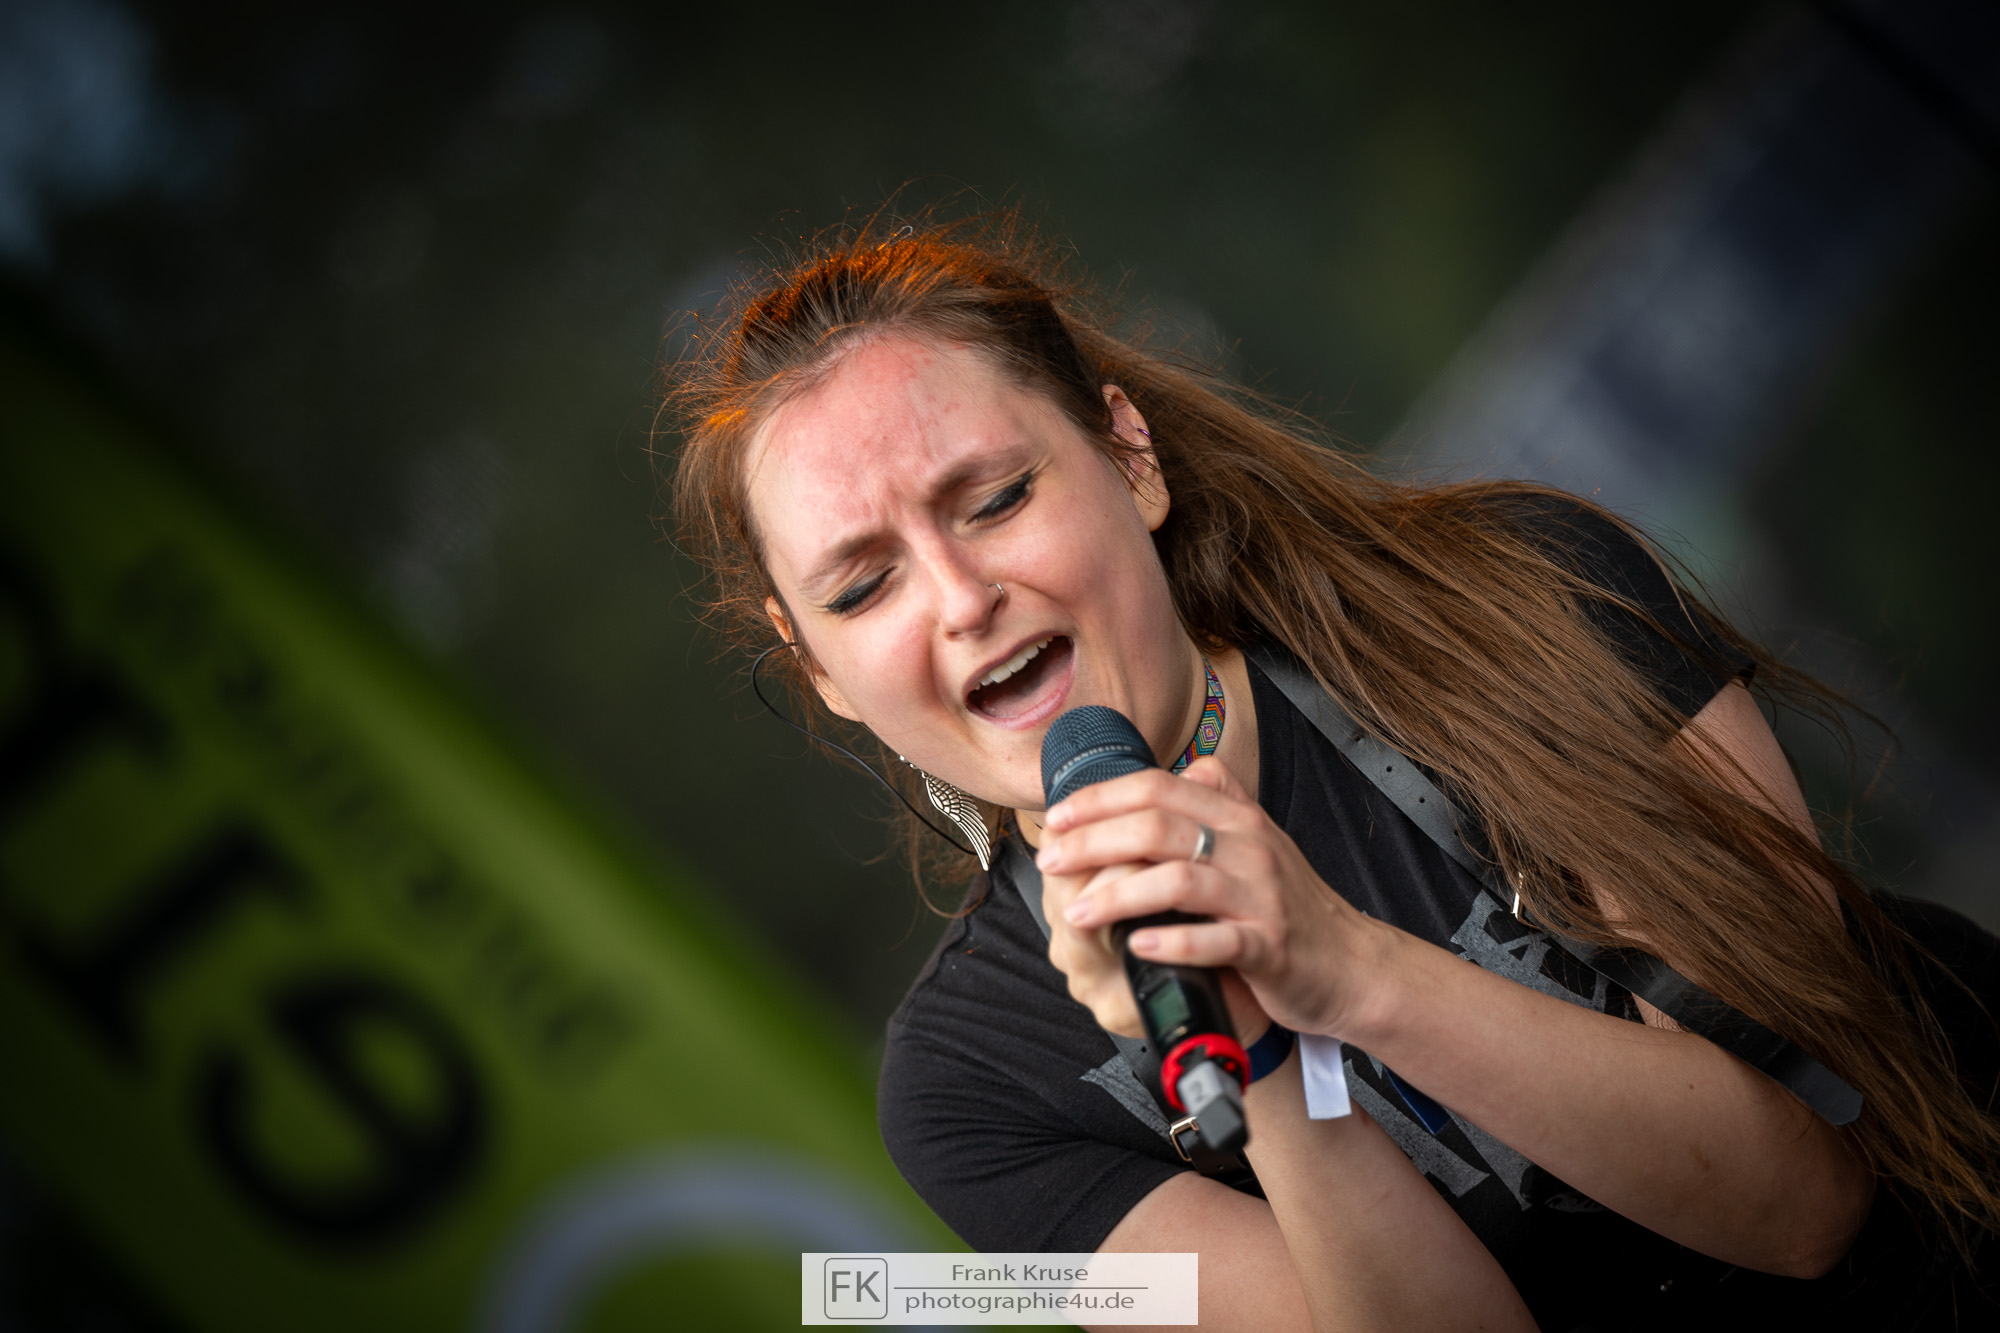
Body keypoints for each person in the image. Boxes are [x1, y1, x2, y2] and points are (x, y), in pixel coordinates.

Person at [666, 213, 2000, 1330]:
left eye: (998, 499)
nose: (961, 599)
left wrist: (1344, 964)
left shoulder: (1518, 597)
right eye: (864, 585)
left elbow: (1809, 1204)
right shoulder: (970, 1085)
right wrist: (1257, 1049)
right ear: (820, 669)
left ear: (1130, 460)